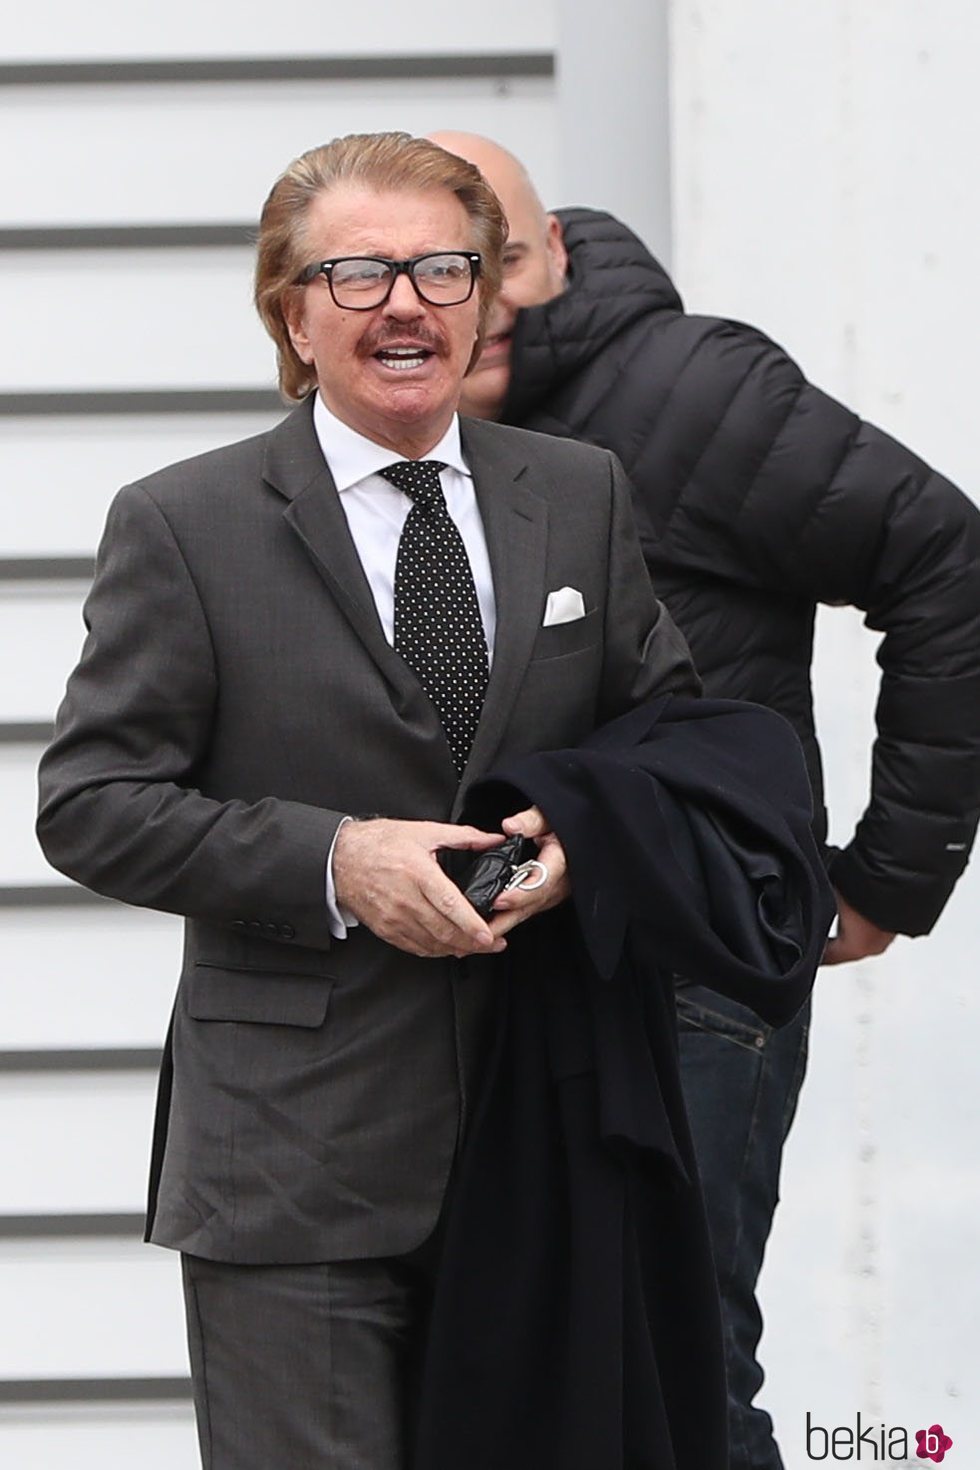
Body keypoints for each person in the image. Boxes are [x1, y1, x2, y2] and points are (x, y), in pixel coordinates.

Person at [35, 131, 698, 1470]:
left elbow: (671, 732)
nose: (408, 301)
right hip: (294, 1163)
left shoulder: (579, 495)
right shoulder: (187, 521)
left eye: (446, 267)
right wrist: (337, 861)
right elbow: (92, 801)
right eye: (359, 273)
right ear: (294, 310)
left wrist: (589, 831)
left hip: (542, 1145)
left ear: (489, 295)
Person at [428, 132, 980, 1470]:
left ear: (554, 248)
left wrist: (884, 878)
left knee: (674, 1373)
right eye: (438, 270)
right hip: (514, 973)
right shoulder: (433, 429)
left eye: (496, 256)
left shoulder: (681, 385)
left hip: (681, 967)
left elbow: (944, 556)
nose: (475, 300)